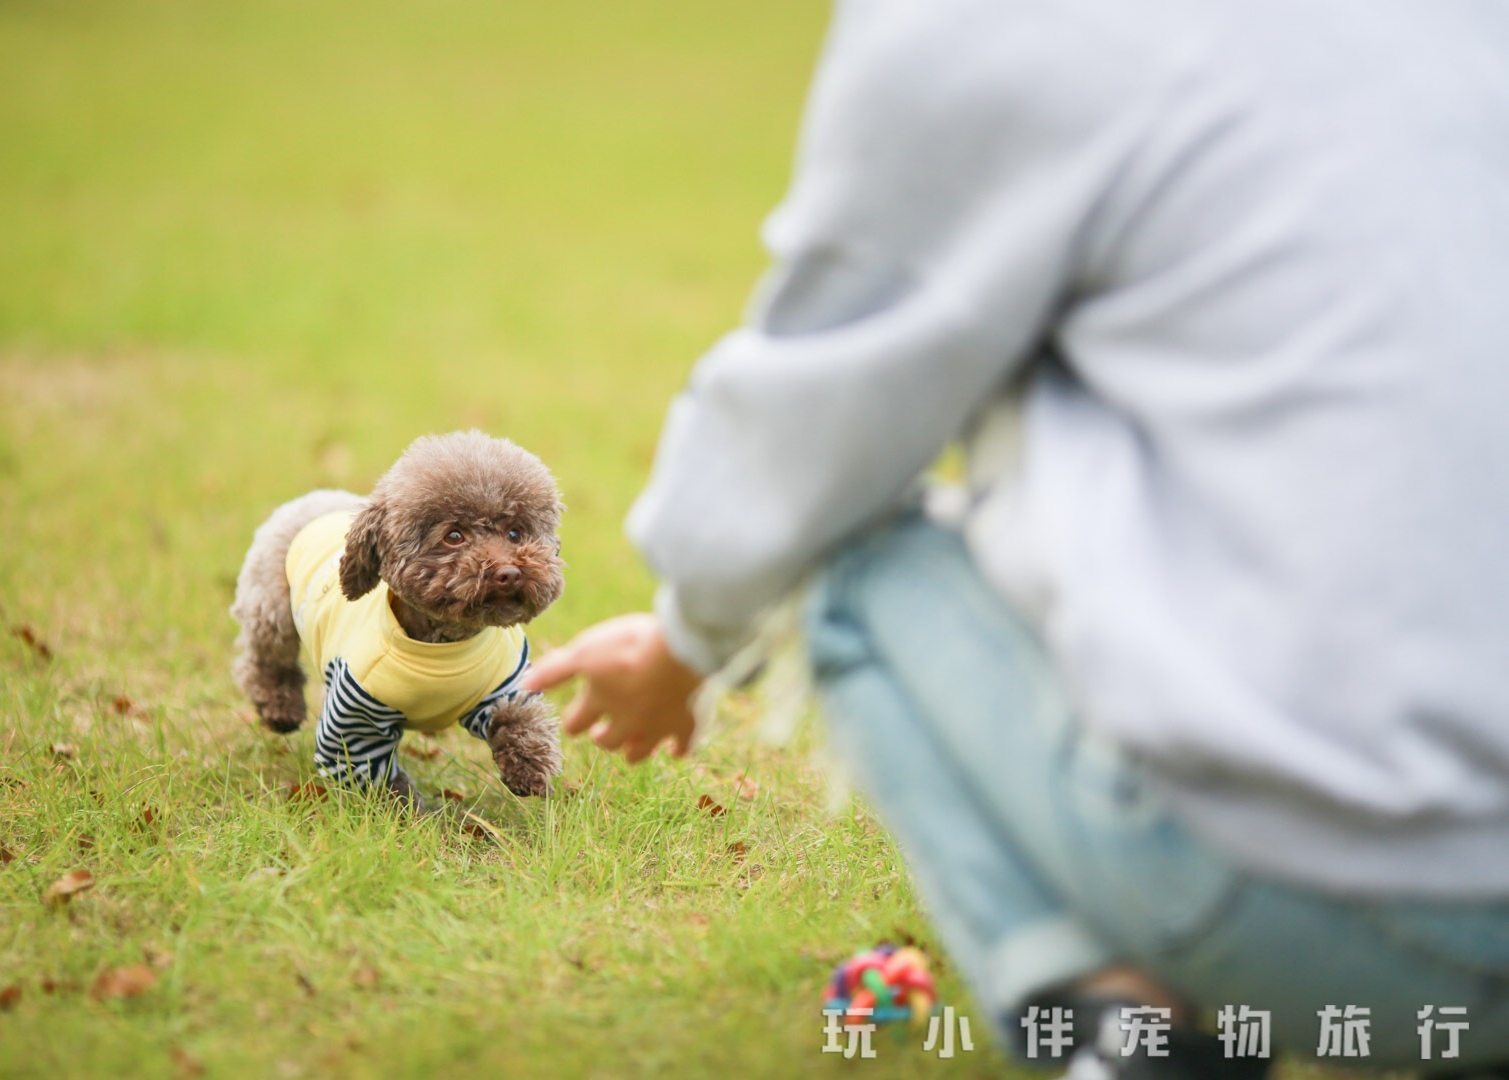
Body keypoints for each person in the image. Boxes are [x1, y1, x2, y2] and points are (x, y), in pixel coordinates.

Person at [523, 1, 1509, 1075]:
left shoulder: (986, 28)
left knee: (861, 564)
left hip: (1349, 914)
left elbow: (813, 435)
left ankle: (1118, 1033)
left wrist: (685, 642)